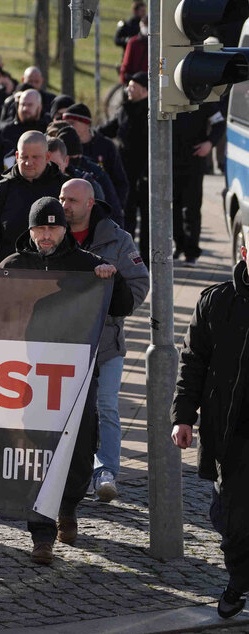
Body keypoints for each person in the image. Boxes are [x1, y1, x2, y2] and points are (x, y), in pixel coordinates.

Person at [0, 197, 134, 564]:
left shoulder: (86, 265)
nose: (46, 235)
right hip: (24, 375)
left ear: (64, 229)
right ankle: (41, 532)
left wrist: (112, 278)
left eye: (53, 228)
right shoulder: (13, 266)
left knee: (80, 443)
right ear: (30, 230)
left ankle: (68, 507)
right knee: (35, 450)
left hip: (75, 374)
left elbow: (122, 306)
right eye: (40, 228)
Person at [171, 244, 249, 619]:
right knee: (229, 518)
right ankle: (239, 580)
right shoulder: (216, 301)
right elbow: (192, 362)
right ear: (244, 252)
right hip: (230, 434)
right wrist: (182, 417)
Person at [59, 179, 149, 501]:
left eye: (72, 200)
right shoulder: (52, 233)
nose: (65, 205)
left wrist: (109, 309)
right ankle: (64, 475)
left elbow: (139, 285)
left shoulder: (118, 239)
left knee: (106, 406)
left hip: (107, 342)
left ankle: (106, 472)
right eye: (62, 198)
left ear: (90, 204)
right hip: (62, 342)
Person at [0, 130, 69, 266]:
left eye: (35, 157)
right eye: (24, 157)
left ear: (47, 157)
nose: (28, 163)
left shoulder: (64, 187)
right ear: (17, 156)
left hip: (57, 274)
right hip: (11, 275)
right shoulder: (3, 189)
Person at [100, 72, 150, 262]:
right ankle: (128, 258)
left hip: (145, 174)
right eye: (128, 86)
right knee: (126, 218)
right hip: (125, 173)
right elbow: (110, 128)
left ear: (145, 90)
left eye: (133, 87)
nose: (128, 89)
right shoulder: (124, 109)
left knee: (147, 220)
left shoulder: (150, 111)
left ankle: (147, 259)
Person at [171, 103, 224, 265]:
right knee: (173, 209)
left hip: (194, 162)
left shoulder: (202, 99)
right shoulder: (167, 96)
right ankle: (179, 245)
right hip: (169, 162)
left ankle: (191, 251)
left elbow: (219, 123)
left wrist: (210, 143)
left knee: (192, 208)